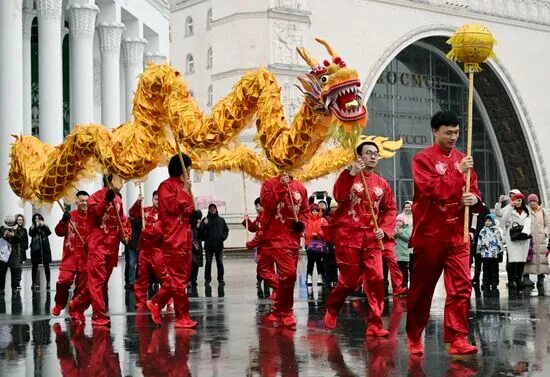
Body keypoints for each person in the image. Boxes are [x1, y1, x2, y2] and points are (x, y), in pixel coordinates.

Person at [406, 110, 482, 355]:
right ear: (435, 131)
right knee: (422, 290)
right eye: (448, 132)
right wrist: (458, 171)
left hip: (458, 234)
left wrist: (475, 200)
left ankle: (458, 337)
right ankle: (415, 334)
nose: (453, 137)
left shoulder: (463, 159)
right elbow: (433, 190)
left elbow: (476, 193)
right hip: (430, 236)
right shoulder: (422, 159)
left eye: (457, 132)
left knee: (462, 287)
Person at [324, 141, 396, 337]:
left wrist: (385, 229)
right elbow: (338, 196)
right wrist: (351, 173)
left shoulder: (382, 184)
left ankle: (375, 323)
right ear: (359, 156)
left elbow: (390, 209)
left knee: (377, 280)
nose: (373, 156)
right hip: (349, 237)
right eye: (368, 153)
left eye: (375, 153)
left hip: (372, 239)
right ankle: (332, 308)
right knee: (348, 281)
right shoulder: (350, 177)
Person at [69, 175, 131, 326]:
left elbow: (122, 219)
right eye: (119, 180)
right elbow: (93, 215)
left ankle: (76, 305)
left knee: (101, 283)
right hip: (97, 246)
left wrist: (126, 234)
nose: (122, 183)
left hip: (112, 247)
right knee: (96, 282)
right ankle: (99, 315)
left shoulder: (118, 199)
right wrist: (105, 201)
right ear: (109, 181)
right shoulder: (96, 197)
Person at [147, 153, 197, 328]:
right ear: (181, 169)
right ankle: (182, 316)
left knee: (180, 278)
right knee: (178, 279)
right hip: (173, 238)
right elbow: (173, 208)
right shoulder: (165, 187)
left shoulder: (185, 187)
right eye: (188, 169)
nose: (190, 173)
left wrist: (194, 215)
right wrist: (184, 191)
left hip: (186, 237)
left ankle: (156, 303)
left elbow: (188, 210)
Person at [259, 171, 309, 329]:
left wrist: (302, 223)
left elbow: (305, 211)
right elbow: (268, 205)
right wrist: (281, 185)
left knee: (288, 278)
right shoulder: (269, 184)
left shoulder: (300, 187)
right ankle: (287, 311)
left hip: (293, 239)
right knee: (289, 274)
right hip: (276, 238)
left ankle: (279, 309)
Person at [51, 191, 91, 316]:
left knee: (83, 286)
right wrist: (63, 221)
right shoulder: (70, 216)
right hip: (70, 256)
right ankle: (59, 303)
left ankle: (77, 309)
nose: (85, 203)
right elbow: (58, 232)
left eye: (86, 200)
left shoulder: (93, 217)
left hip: (86, 257)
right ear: (76, 201)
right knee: (63, 281)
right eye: (82, 200)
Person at [130, 191, 167, 310]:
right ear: (152, 199)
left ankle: (168, 297)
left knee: (162, 275)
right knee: (142, 276)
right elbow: (132, 213)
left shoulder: (165, 214)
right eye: (156, 199)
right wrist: (137, 202)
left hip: (158, 249)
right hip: (144, 249)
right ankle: (140, 301)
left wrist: (149, 232)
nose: (158, 202)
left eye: (159, 199)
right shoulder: (144, 210)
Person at [501, 192, 532, 292]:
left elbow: (529, 222)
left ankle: (519, 280)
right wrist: (510, 206)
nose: (517, 202)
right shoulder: (510, 210)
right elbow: (503, 219)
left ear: (522, 201)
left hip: (523, 239)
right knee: (512, 262)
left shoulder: (527, 211)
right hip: (513, 239)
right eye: (515, 200)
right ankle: (511, 281)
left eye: (519, 200)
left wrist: (525, 232)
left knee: (521, 262)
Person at [242, 198, 272, 297]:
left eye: (257, 206)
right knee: (262, 267)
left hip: (268, 248)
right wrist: (247, 221)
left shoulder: (266, 218)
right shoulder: (259, 217)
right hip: (262, 248)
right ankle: (264, 283)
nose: (256, 208)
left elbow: (260, 234)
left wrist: (250, 244)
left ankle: (272, 287)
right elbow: (253, 228)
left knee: (265, 268)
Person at [524, 193, 549, 290]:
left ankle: (540, 277)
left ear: (537, 201)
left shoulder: (542, 211)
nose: (532, 203)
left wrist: (545, 233)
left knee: (541, 258)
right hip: (529, 239)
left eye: (534, 201)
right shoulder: (526, 211)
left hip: (541, 239)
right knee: (529, 258)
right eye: (530, 201)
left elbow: (548, 224)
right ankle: (526, 277)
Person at [199, 203, 229, 286]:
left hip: (219, 245)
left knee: (220, 263)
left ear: (216, 209)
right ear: (209, 210)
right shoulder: (205, 220)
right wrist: (203, 224)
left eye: (214, 208)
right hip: (209, 245)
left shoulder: (221, 220)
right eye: (211, 208)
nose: (212, 209)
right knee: (208, 263)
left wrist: (223, 237)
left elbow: (226, 230)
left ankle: (221, 279)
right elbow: (200, 231)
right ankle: (207, 279)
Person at [476, 214, 504, 291]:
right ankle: (485, 283)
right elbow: (479, 241)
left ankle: (494, 283)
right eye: (486, 221)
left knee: (494, 270)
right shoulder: (482, 231)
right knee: (485, 270)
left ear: (492, 222)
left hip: (494, 254)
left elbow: (499, 241)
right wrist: (478, 251)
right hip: (485, 254)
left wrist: (500, 251)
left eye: (489, 221)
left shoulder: (496, 231)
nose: (487, 222)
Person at [0, 215, 26, 294]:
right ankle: (1, 290)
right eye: (8, 223)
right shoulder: (1, 228)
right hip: (3, 254)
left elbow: (20, 238)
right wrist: (4, 236)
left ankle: (14, 290)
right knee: (1, 273)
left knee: (14, 273)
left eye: (11, 223)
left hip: (14, 254)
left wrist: (13, 235)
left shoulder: (17, 229)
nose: (10, 225)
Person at [304, 203, 328, 287]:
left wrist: (318, 234)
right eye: (313, 211)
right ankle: (309, 276)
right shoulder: (307, 221)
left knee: (319, 261)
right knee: (310, 261)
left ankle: (320, 276)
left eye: (316, 211)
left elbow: (326, 231)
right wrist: (310, 234)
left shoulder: (323, 220)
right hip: (309, 243)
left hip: (320, 244)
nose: (314, 212)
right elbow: (304, 231)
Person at [29, 213, 52, 290]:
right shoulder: (32, 227)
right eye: (35, 218)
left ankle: (48, 282)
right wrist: (36, 226)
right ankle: (33, 282)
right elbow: (31, 234)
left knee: (47, 267)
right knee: (34, 267)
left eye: (38, 218)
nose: (37, 220)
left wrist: (43, 225)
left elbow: (49, 232)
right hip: (36, 250)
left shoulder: (45, 227)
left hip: (45, 250)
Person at [394, 214, 411, 288]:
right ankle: (397, 285)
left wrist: (401, 233)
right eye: (397, 221)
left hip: (404, 255)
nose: (398, 222)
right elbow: (391, 237)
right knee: (397, 271)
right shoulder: (393, 229)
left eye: (400, 221)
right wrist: (395, 233)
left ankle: (404, 285)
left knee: (404, 271)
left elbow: (408, 238)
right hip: (396, 255)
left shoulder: (406, 229)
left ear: (403, 222)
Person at [190, 209, 204, 292]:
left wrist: (200, 227)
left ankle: (194, 280)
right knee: (191, 264)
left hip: (197, 247)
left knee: (196, 265)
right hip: (191, 246)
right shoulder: (191, 224)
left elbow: (203, 235)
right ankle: (190, 279)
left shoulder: (200, 225)